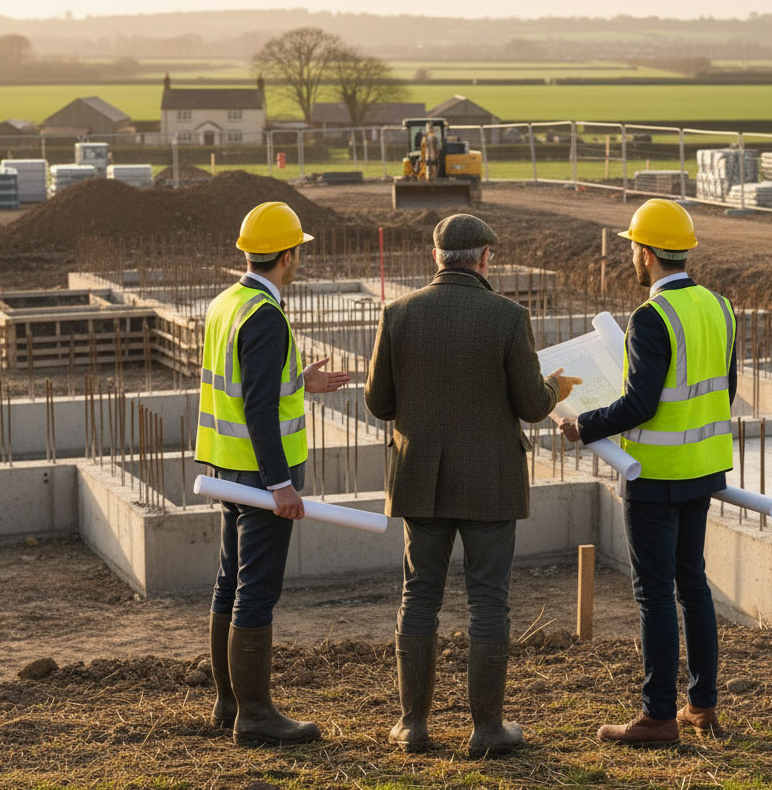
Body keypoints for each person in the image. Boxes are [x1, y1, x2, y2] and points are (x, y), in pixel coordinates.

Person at [365, 214, 581, 757]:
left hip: (421, 479)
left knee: (419, 597)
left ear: (436, 257)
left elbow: (378, 403)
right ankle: (487, 729)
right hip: (490, 480)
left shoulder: (398, 313)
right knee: (489, 602)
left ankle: (412, 725)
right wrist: (556, 386)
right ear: (485, 258)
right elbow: (532, 406)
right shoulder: (507, 315)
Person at [559, 199, 736, 746]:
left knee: (654, 593)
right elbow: (723, 392)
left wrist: (583, 425)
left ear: (645, 252)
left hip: (655, 474)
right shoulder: (720, 307)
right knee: (693, 586)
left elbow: (640, 406)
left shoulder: (652, 317)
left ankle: (658, 717)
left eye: (633, 248)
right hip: (702, 469)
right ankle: (701, 707)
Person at [194, 201, 350, 747]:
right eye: (299, 251)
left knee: (230, 583)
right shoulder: (264, 315)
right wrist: (281, 485)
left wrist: (299, 383)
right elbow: (259, 409)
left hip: (227, 468)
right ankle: (255, 715)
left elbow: (246, 390)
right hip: (260, 479)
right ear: (288, 255)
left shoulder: (226, 303)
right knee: (256, 591)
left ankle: (229, 702)